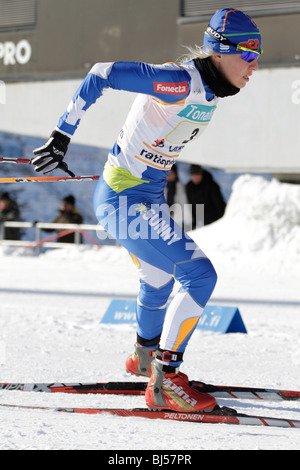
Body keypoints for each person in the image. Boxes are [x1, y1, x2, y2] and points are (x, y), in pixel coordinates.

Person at [31, 8, 262, 413]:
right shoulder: (178, 82)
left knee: (158, 278)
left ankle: (144, 356)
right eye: (249, 53)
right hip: (125, 201)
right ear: (220, 52)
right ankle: (165, 379)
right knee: (199, 274)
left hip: (141, 199)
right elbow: (102, 73)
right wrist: (61, 136)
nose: (255, 64)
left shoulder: (208, 86)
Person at [186, 164, 226, 228]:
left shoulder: (211, 185)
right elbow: (191, 206)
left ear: (201, 174)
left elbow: (219, 204)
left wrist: (220, 222)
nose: (195, 177)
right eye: (193, 175)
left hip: (214, 221)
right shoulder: (189, 187)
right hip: (199, 223)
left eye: (197, 174)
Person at [164, 164, 192, 230]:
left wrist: (188, 223)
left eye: (171, 173)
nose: (169, 176)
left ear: (175, 174)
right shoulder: (162, 188)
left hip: (179, 222)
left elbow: (185, 204)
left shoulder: (180, 187)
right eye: (167, 174)